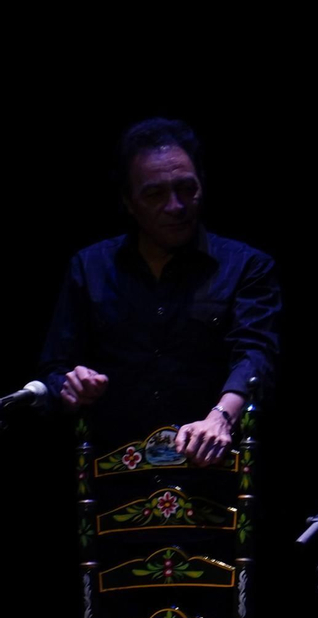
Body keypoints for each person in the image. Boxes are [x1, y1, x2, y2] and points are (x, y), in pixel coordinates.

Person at [38, 117, 281, 462]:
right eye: (155, 194)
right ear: (128, 201)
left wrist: (221, 416)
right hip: (114, 476)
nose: (176, 206)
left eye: (186, 188)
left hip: (214, 471)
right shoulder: (88, 267)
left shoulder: (245, 265)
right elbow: (54, 370)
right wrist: (72, 384)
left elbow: (256, 354)